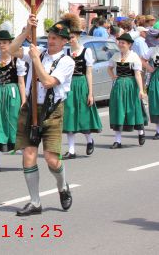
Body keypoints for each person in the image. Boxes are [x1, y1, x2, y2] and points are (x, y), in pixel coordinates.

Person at [9, 16, 75, 216]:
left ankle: (62, 186)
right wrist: (27, 31)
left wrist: (36, 58)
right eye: (51, 37)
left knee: (51, 159)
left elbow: (47, 81)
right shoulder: (38, 52)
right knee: (28, 155)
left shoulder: (67, 61)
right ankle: (35, 202)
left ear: (64, 42)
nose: (52, 40)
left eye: (56, 38)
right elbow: (11, 50)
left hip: (52, 111)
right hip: (31, 108)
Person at [0, 30, 26, 174]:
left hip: (12, 94)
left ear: (10, 44)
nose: (2, 45)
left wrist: (23, 100)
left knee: (15, 126)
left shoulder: (16, 59)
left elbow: (21, 82)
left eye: (5, 43)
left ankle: (26, 160)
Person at [62, 15, 102, 158]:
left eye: (72, 37)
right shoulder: (66, 53)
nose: (70, 40)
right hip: (69, 85)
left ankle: (89, 140)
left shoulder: (86, 51)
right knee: (69, 115)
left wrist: (90, 93)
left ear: (78, 36)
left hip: (82, 84)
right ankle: (71, 150)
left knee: (83, 115)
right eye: (68, 37)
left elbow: (89, 73)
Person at [107, 33, 147, 148]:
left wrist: (141, 90)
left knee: (133, 108)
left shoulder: (134, 57)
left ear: (129, 44)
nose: (120, 44)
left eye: (123, 43)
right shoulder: (116, 56)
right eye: (120, 42)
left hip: (131, 85)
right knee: (118, 110)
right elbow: (109, 67)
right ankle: (118, 141)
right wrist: (113, 76)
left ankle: (140, 132)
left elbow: (138, 74)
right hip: (119, 85)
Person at [143, 43, 159, 139]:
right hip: (156, 78)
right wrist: (149, 68)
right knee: (156, 104)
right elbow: (141, 59)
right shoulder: (153, 50)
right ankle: (158, 131)